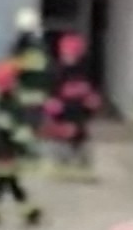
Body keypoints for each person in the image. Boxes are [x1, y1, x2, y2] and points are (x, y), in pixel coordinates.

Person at [0, 60, 44, 228]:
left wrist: (23, 148)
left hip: (2, 150)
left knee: (3, 183)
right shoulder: (10, 101)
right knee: (6, 183)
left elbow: (9, 129)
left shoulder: (5, 103)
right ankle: (25, 212)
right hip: (4, 149)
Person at [43, 33, 102, 183]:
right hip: (62, 115)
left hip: (80, 114)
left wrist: (92, 104)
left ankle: (84, 170)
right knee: (60, 143)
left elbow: (92, 90)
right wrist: (52, 108)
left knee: (81, 142)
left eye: (74, 54)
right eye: (68, 54)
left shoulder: (86, 71)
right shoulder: (55, 72)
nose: (71, 57)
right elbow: (49, 92)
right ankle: (61, 168)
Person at [12, 7, 53, 165]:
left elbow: (18, 66)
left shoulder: (26, 44)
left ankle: (27, 152)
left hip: (28, 89)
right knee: (31, 123)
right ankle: (28, 151)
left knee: (26, 123)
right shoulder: (40, 44)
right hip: (36, 90)